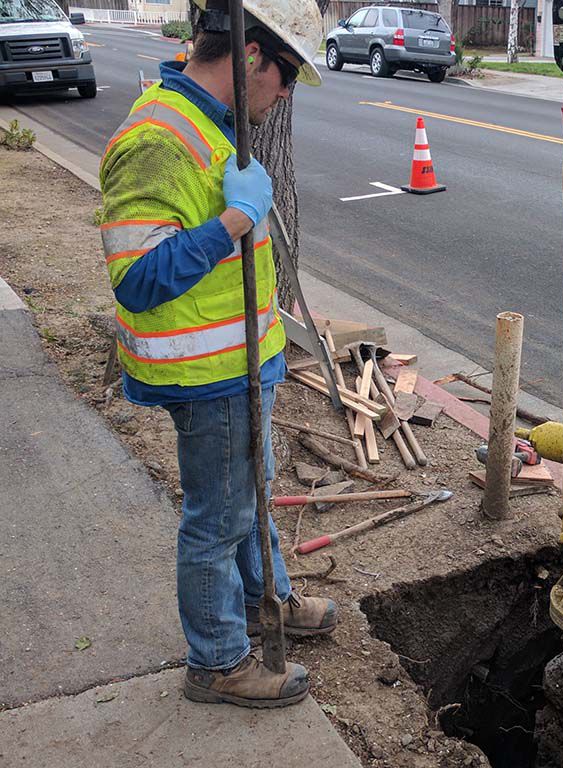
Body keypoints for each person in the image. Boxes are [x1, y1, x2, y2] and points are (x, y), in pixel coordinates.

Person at [99, 0, 333, 708]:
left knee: (249, 499)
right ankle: (219, 661)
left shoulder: (211, 121)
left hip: (240, 366)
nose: (287, 92)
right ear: (251, 55)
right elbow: (138, 281)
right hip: (207, 377)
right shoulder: (159, 139)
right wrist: (232, 221)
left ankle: (271, 599)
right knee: (217, 519)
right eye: (287, 73)